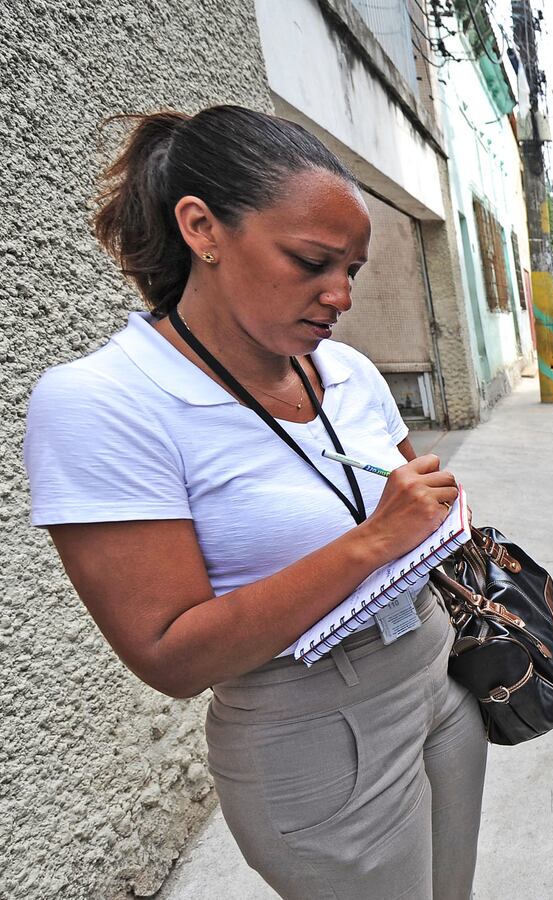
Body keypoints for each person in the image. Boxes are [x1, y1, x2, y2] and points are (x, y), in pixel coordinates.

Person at [23, 107, 485, 899]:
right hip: (314, 735)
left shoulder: (344, 371)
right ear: (202, 228)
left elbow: (425, 504)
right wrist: (372, 543)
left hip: (440, 683)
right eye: (311, 262)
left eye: (354, 270)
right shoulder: (104, 402)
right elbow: (171, 654)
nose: (339, 294)